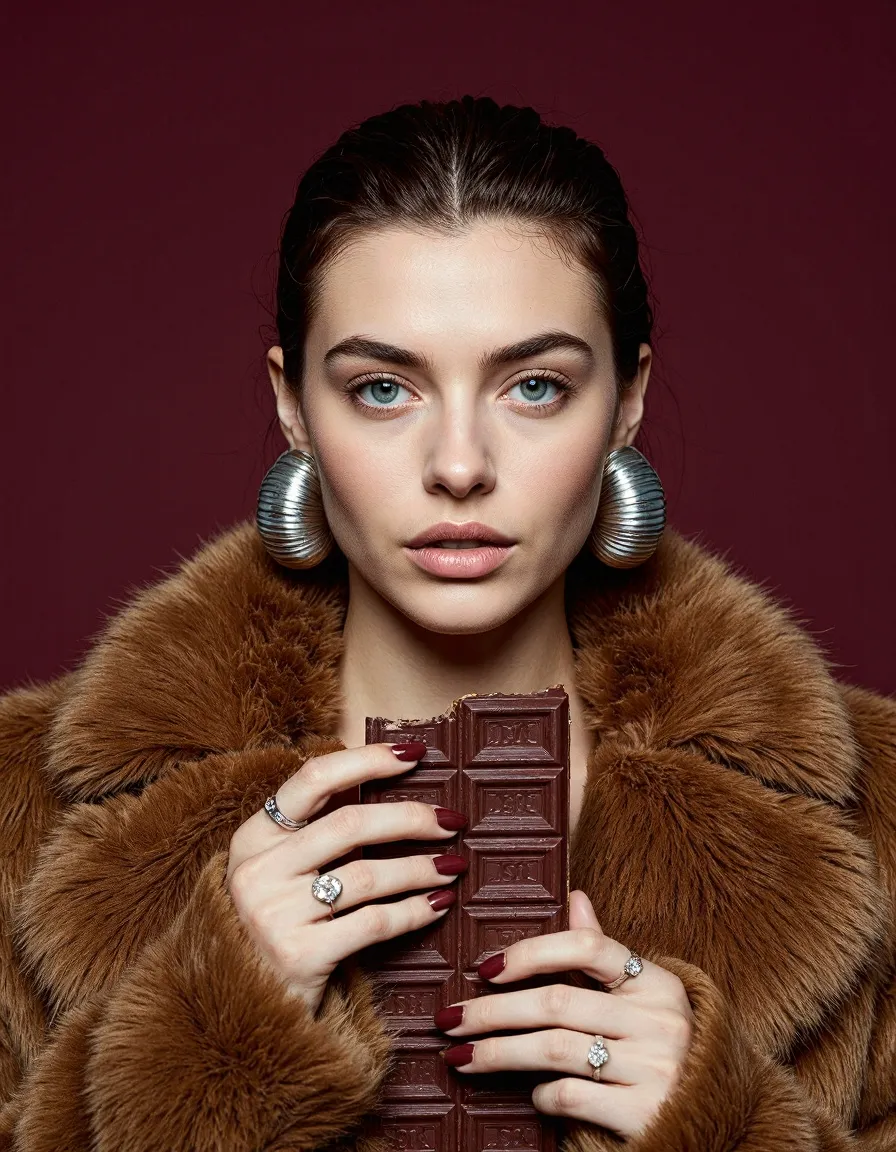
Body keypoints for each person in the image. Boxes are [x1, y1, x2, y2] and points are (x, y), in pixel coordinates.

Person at [0, 95, 892, 1152]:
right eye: (383, 388)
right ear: (292, 406)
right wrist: (207, 1043)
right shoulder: (25, 815)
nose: (459, 464)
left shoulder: (876, 819)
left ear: (628, 399)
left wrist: (727, 1131)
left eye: (534, 386)